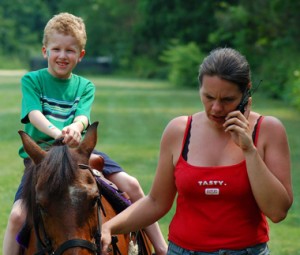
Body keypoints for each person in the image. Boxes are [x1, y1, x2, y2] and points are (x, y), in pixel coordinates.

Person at [2, 12, 167, 255]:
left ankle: (162, 248)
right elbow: (34, 114)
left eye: (70, 50)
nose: (62, 55)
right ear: (45, 50)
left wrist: (77, 129)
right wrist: (59, 133)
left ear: (80, 55)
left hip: (78, 154)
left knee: (131, 184)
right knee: (17, 216)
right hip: (42, 159)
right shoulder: (32, 80)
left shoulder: (85, 86)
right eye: (56, 48)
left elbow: (82, 116)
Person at [101, 47, 293, 255]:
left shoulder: (268, 130)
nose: (216, 108)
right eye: (209, 97)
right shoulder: (179, 131)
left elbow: (277, 211)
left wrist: (249, 150)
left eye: (227, 99)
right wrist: (110, 226)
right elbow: (156, 202)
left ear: (246, 91)